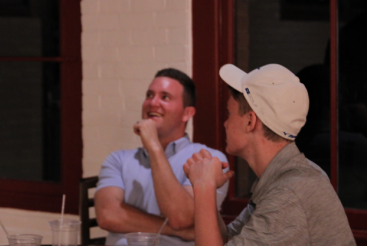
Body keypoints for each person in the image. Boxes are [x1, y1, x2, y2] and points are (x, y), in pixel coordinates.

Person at [184, 64, 355, 246]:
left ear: (250, 121)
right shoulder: (283, 178)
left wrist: (203, 187)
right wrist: (207, 189)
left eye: (229, 113)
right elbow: (229, 239)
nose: (225, 123)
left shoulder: (289, 194)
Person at [95, 68, 230, 246]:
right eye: (149, 95)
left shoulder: (206, 160)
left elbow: (180, 217)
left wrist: (153, 146)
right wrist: (175, 231)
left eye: (165, 97)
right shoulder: (118, 160)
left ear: (187, 113)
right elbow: (107, 215)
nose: (152, 103)